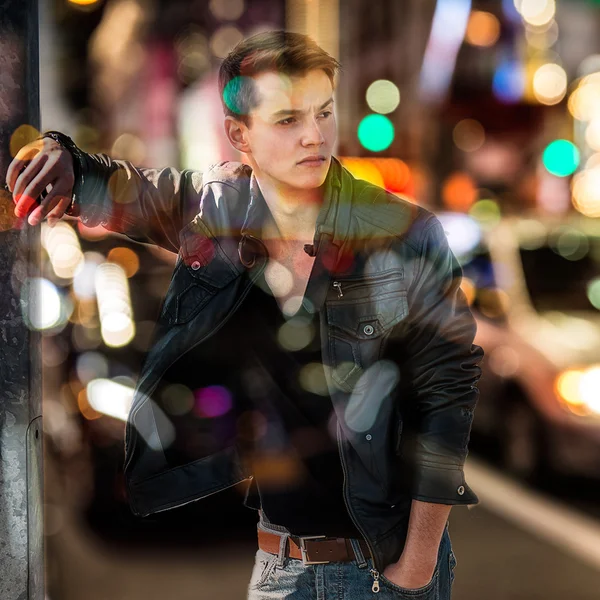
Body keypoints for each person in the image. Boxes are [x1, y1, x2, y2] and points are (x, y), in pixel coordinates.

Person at [7, 30, 483, 600]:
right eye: (287, 120)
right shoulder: (217, 210)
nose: (314, 135)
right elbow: (122, 188)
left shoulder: (405, 233)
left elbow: (447, 397)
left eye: (324, 112)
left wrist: (417, 566)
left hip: (381, 568)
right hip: (277, 565)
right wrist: (60, 152)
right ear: (240, 135)